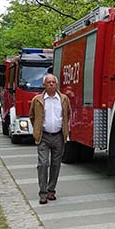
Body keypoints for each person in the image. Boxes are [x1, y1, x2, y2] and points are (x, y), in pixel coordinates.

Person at [29, 74, 71, 204]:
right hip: (44, 136)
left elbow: (67, 114)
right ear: (44, 85)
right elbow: (32, 116)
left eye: (53, 82)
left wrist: (63, 129)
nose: (51, 84)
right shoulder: (37, 100)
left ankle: (51, 190)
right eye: (49, 82)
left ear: (57, 84)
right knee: (43, 164)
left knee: (55, 164)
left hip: (58, 136)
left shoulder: (63, 99)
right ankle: (43, 193)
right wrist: (37, 130)